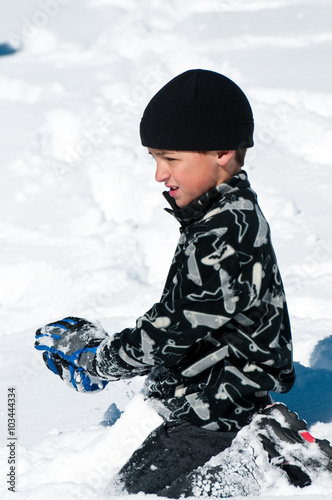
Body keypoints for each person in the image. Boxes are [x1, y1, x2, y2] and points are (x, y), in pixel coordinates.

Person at [34, 69, 330, 497]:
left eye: (170, 159)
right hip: (204, 390)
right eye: (154, 158)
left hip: (220, 408)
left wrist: (101, 360)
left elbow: (173, 327)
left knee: (136, 491)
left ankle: (266, 455)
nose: (159, 174)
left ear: (222, 153)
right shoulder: (216, 215)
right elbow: (187, 318)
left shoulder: (226, 234)